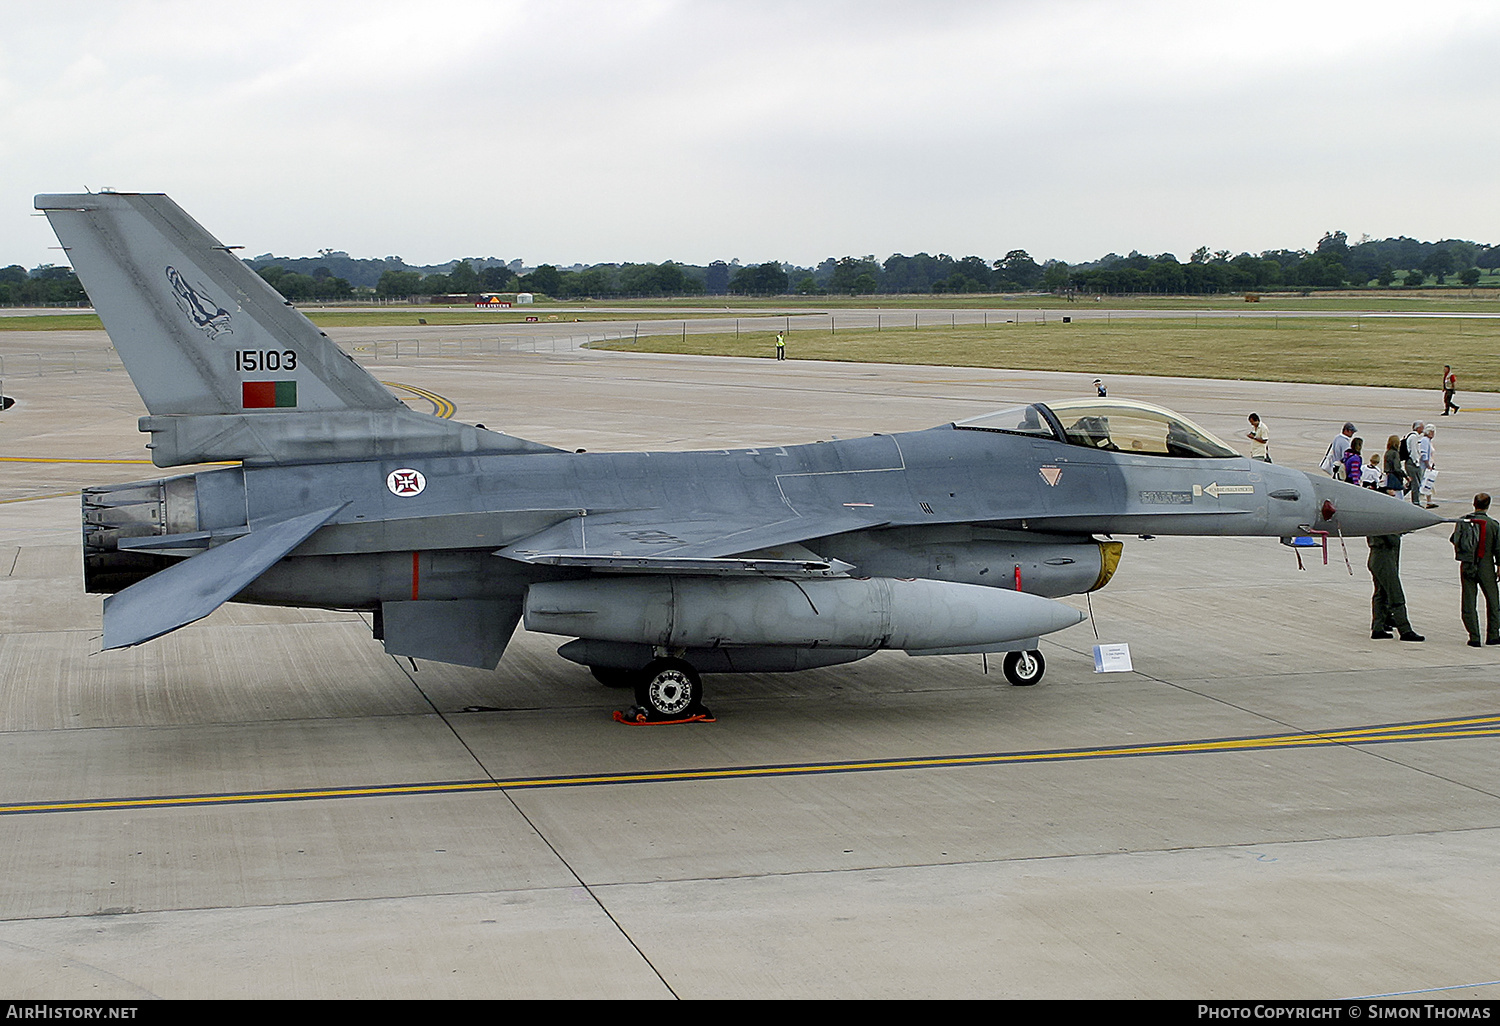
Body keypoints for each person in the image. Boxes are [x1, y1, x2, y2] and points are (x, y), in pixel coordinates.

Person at [1453, 493, 1500, 648]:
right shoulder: (1493, 525)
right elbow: (1498, 549)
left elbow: (1455, 539)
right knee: (1493, 601)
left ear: (1474, 504)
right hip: (1486, 565)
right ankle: (1493, 635)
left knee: (1468, 601)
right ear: (1488, 505)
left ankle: (1474, 636)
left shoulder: (1464, 522)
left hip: (1467, 564)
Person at [1368, 533, 1424, 641]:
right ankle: (1405, 630)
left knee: (1381, 594)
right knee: (1396, 595)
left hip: (1376, 556)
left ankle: (1378, 628)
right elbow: (1393, 540)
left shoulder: (1375, 520)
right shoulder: (1386, 522)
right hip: (1384, 557)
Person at [1402, 421, 1425, 504]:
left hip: (1411, 462)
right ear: (1418, 428)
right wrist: (1416, 463)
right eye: (1422, 427)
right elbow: (1413, 451)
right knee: (1416, 484)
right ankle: (1415, 501)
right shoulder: (1414, 437)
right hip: (1412, 463)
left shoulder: (1412, 436)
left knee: (1412, 484)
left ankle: (1400, 496)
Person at [1419, 424, 1438, 508]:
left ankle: (1429, 501)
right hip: (1424, 466)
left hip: (1429, 465)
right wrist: (1427, 465)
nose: (1433, 434)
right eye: (1432, 432)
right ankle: (1419, 500)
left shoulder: (1428, 441)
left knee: (1429, 483)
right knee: (1423, 483)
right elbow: (1424, 454)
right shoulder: (1425, 440)